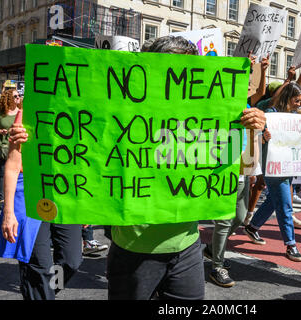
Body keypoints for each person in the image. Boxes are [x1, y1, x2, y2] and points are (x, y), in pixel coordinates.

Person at [104, 36, 266, 300]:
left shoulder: (209, 117)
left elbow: (246, 167)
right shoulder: (125, 112)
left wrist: (252, 132)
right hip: (134, 249)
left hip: (187, 246)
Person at [0, 110, 83, 300]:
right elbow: (12, 166)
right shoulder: (30, 111)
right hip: (29, 193)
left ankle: (47, 290)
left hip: (64, 193)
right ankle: (41, 293)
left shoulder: (79, 111)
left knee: (71, 260)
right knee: (38, 265)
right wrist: (9, 212)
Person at [203, 53, 269, 288]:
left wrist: (257, 69)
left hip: (241, 168)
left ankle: (211, 250)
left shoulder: (247, 104)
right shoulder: (217, 101)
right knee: (223, 220)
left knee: (240, 217)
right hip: (221, 168)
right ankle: (217, 266)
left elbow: (259, 94)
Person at [244, 81, 301, 262]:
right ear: (288, 98)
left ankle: (253, 226)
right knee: (285, 205)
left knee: (274, 199)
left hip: (287, 164)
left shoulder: (294, 117)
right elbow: (255, 139)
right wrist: (264, 138)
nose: (299, 104)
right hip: (273, 166)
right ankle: (291, 244)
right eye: (296, 100)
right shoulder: (270, 115)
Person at [0, 89, 20, 208]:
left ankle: (13, 197)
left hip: (18, 148)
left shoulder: (22, 112)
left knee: (17, 173)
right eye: (15, 96)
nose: (18, 97)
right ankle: (2, 199)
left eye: (19, 95)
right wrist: (0, 131)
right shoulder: (1, 113)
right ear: (9, 99)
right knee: (3, 173)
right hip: (3, 146)